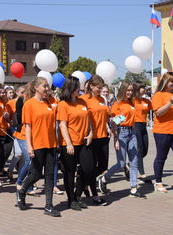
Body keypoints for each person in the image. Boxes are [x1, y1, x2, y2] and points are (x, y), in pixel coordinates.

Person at [16, 77, 60, 217]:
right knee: (36, 174)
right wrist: (29, 146)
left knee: (49, 175)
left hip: (51, 144)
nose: (47, 89)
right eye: (45, 86)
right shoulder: (29, 104)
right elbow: (27, 127)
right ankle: (22, 192)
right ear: (36, 88)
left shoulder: (50, 102)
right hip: (37, 144)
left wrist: (53, 96)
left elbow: (59, 110)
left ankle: (48, 206)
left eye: (48, 86)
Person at [98, 82, 144, 198]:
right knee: (121, 163)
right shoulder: (117, 103)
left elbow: (132, 117)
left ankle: (134, 187)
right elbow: (114, 122)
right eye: (127, 90)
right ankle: (104, 178)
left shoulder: (132, 102)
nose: (129, 93)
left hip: (132, 132)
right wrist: (116, 139)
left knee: (134, 161)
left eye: (131, 90)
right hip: (121, 132)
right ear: (123, 90)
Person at [57, 76, 94, 210]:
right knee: (69, 172)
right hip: (70, 143)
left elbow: (88, 120)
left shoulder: (82, 102)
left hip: (84, 141)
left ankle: (78, 195)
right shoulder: (63, 104)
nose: (80, 89)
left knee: (88, 169)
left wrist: (90, 133)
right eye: (78, 86)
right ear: (71, 88)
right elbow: (62, 125)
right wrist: (68, 143)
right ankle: (71, 200)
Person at [79, 75, 110, 205]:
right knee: (90, 168)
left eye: (102, 87)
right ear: (91, 86)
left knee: (103, 166)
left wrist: (111, 125)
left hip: (103, 136)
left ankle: (83, 181)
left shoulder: (102, 99)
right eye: (98, 87)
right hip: (91, 138)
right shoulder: (83, 99)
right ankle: (94, 195)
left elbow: (106, 116)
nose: (100, 90)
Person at [134, 82, 153, 184]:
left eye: (144, 87)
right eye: (142, 87)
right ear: (137, 89)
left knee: (145, 150)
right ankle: (142, 174)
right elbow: (125, 113)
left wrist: (150, 119)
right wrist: (116, 123)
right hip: (135, 126)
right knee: (139, 150)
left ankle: (130, 164)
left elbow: (153, 110)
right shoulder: (132, 101)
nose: (144, 89)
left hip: (143, 127)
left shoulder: (146, 101)